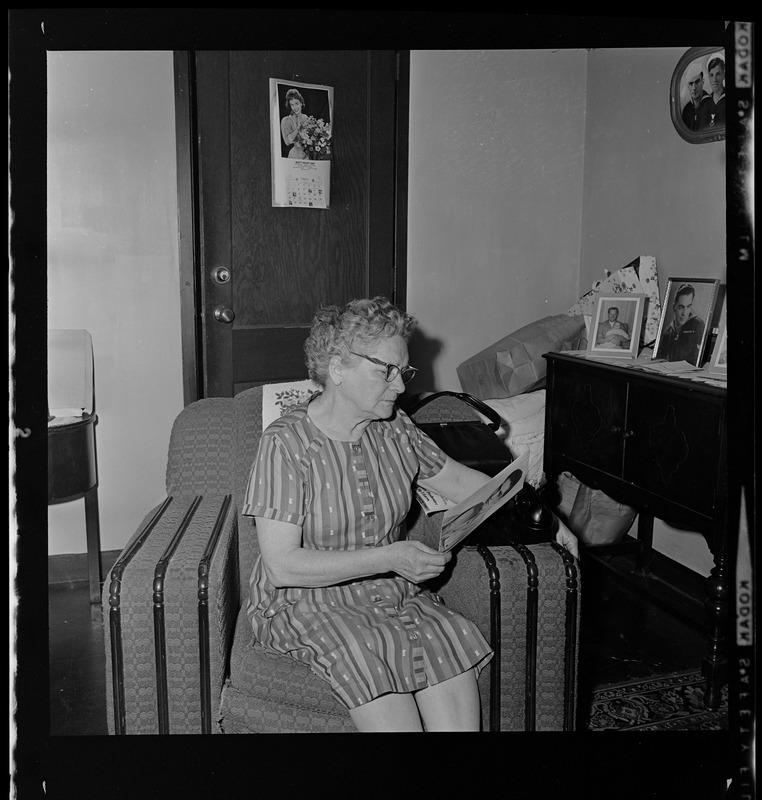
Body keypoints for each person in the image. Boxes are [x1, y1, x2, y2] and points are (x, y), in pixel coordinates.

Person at [242, 296, 579, 732]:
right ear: (338, 367)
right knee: (370, 657)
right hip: (307, 599)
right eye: (386, 370)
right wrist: (390, 558)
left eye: (404, 371)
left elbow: (469, 486)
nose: (400, 386)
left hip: (385, 590)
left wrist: (551, 520)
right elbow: (283, 566)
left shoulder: (396, 429)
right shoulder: (285, 444)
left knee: (449, 641)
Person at [655, 284, 706, 365]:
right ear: (674, 307)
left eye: (688, 307)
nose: (684, 313)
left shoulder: (698, 325)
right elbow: (659, 360)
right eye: (681, 307)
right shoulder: (667, 332)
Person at [681, 63, 713, 131]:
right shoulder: (686, 110)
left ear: (703, 82)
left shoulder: (712, 104)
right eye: (691, 84)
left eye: (697, 82)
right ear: (688, 86)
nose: (694, 87)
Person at [280, 88, 308, 159]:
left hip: (307, 155)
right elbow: (287, 142)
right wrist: (298, 128)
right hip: (295, 156)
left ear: (301, 103)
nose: (295, 108)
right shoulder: (286, 120)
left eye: (296, 103)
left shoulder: (306, 118)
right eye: (292, 105)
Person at [707, 56, 726, 128]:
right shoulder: (705, 102)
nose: (714, 79)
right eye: (711, 75)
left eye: (718, 74)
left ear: (724, 76)